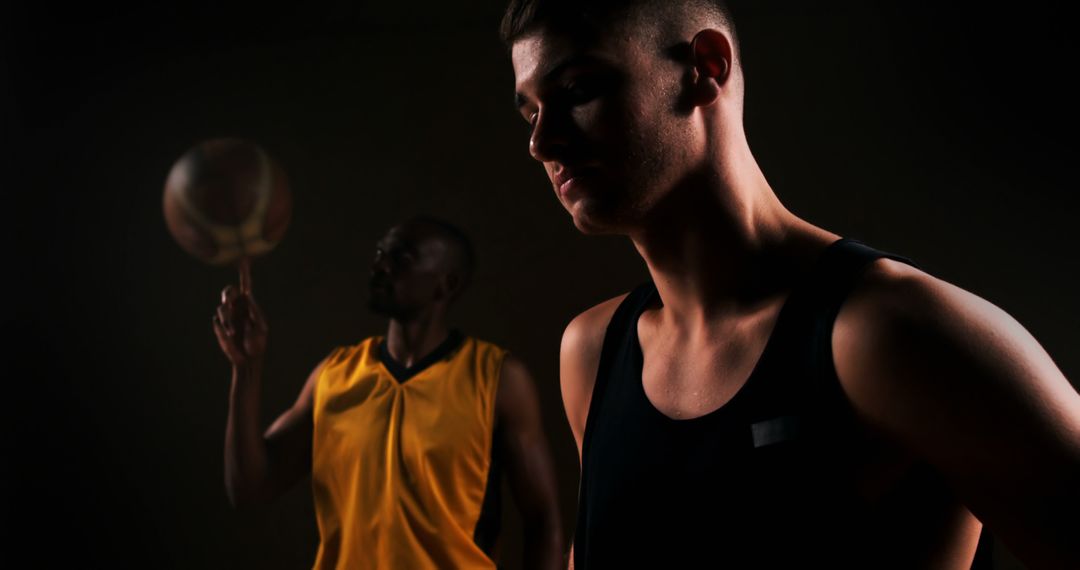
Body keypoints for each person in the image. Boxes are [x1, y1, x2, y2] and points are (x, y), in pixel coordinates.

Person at [502, 1, 1080, 568]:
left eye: (578, 91)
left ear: (705, 67)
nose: (541, 143)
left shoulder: (888, 335)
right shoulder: (594, 351)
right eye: (531, 113)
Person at [213, 217, 563, 569]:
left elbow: (543, 521)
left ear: (447, 283)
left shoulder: (497, 379)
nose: (380, 264)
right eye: (381, 253)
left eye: (402, 258)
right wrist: (246, 368)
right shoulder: (334, 375)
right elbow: (249, 490)